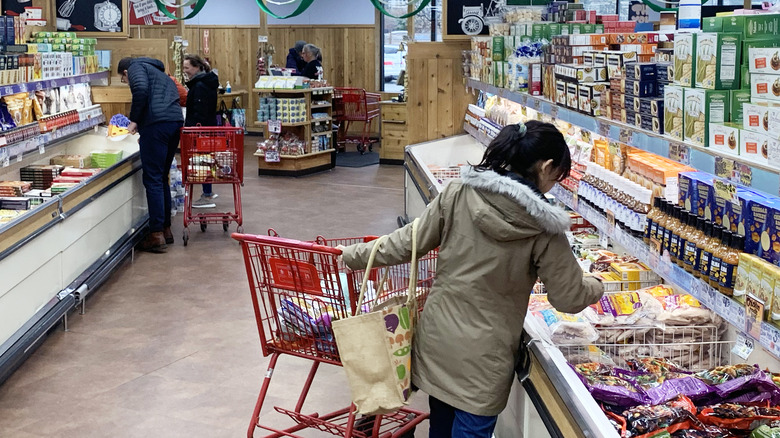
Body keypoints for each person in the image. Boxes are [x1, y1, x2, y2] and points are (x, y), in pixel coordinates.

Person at [339, 121, 603, 438]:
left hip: (438, 341)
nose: (554, 185)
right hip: (485, 361)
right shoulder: (545, 227)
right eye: (557, 176)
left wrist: (352, 254)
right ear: (545, 167)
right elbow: (569, 298)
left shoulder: (458, 192)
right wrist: (597, 284)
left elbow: (407, 242)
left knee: (440, 428)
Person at [118, 57, 184, 253]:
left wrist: (134, 121)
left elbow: (140, 91)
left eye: (124, 80)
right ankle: (165, 228)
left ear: (125, 73)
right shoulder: (159, 73)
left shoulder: (135, 67)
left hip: (157, 125)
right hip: (174, 122)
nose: (126, 83)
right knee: (162, 177)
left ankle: (155, 234)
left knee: (153, 178)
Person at [181, 54, 219, 209]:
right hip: (207, 127)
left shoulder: (199, 86)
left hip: (200, 130)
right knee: (206, 159)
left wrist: (193, 128)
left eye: (187, 68)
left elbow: (199, 110)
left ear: (196, 68)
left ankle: (207, 195)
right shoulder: (206, 82)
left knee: (202, 161)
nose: (185, 71)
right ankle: (208, 191)